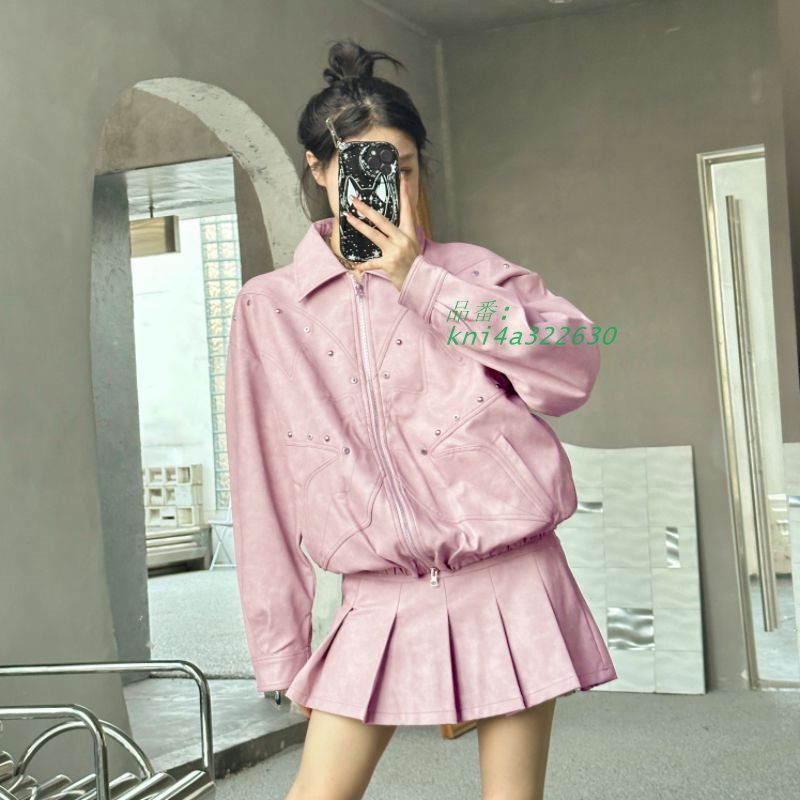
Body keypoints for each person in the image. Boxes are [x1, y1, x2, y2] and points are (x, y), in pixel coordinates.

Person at [224, 38, 617, 800]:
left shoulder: (474, 275)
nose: (385, 186)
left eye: (400, 167)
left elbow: (575, 366)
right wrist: (283, 652)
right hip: (378, 593)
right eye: (361, 168)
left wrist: (422, 284)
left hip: (509, 576)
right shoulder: (268, 309)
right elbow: (260, 489)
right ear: (318, 169)